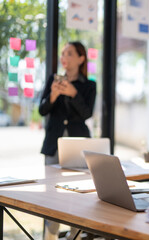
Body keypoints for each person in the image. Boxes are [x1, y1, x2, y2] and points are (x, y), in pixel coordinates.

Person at [39, 41, 96, 240]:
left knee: (78, 193)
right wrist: (54, 94)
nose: (64, 57)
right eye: (63, 53)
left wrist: (73, 94)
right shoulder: (52, 80)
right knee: (51, 195)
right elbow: (42, 110)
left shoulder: (89, 85)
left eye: (69, 53)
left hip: (78, 145)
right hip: (53, 144)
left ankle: (75, 236)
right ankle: (50, 236)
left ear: (81, 59)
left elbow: (86, 113)